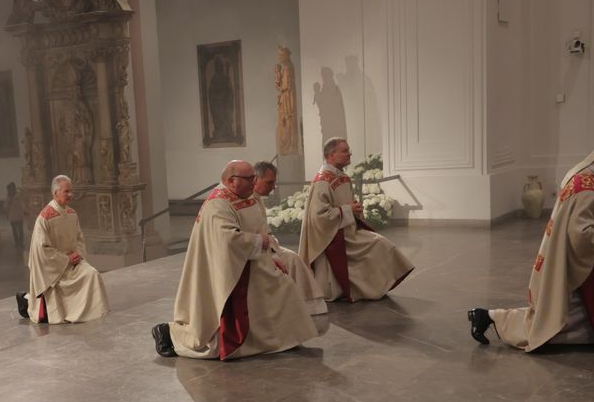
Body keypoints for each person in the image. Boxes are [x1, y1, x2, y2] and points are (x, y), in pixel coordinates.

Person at [469, 112, 594, 352]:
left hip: (565, 260)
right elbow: (583, 238)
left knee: (560, 315)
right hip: (571, 265)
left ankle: (488, 316)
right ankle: (490, 317)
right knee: (553, 324)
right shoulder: (587, 190)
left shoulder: (586, 170)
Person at [152, 160, 317, 359]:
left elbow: (262, 228)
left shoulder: (251, 197)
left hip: (251, 260)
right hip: (228, 267)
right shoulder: (218, 204)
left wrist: (273, 254)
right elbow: (227, 240)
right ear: (231, 181)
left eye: (254, 178)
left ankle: (278, 340)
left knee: (283, 286)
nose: (253, 182)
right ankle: (168, 332)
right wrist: (259, 242)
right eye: (249, 179)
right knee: (213, 337)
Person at [299, 137, 414, 301]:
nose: (349, 154)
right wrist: (348, 210)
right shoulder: (322, 181)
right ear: (331, 155)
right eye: (345, 151)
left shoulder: (343, 178)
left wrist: (356, 209)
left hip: (350, 231)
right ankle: (366, 288)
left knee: (382, 244)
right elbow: (319, 217)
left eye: (349, 150)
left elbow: (350, 205)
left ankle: (373, 287)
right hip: (334, 236)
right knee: (379, 244)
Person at [16, 175, 109, 324]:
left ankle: (86, 312)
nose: (71, 195)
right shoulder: (44, 218)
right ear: (55, 193)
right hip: (55, 269)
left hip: (73, 263)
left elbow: (79, 239)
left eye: (71, 191)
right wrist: (66, 259)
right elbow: (41, 251)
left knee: (92, 274)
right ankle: (27, 300)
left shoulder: (72, 214)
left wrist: (78, 254)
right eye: (66, 191)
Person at [252, 161, 328, 318]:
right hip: (255, 250)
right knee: (292, 260)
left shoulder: (256, 198)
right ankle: (301, 306)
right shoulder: (247, 201)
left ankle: (304, 305)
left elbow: (263, 229)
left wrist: (272, 243)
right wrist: (272, 251)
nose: (273, 187)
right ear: (255, 179)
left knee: (293, 258)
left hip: (264, 246)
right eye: (269, 182)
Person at [4, 182, 24, 251]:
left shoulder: (17, 195)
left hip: (18, 215)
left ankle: (20, 242)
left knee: (19, 230)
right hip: (13, 216)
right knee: (15, 230)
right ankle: (17, 242)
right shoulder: (9, 197)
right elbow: (6, 206)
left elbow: (22, 203)